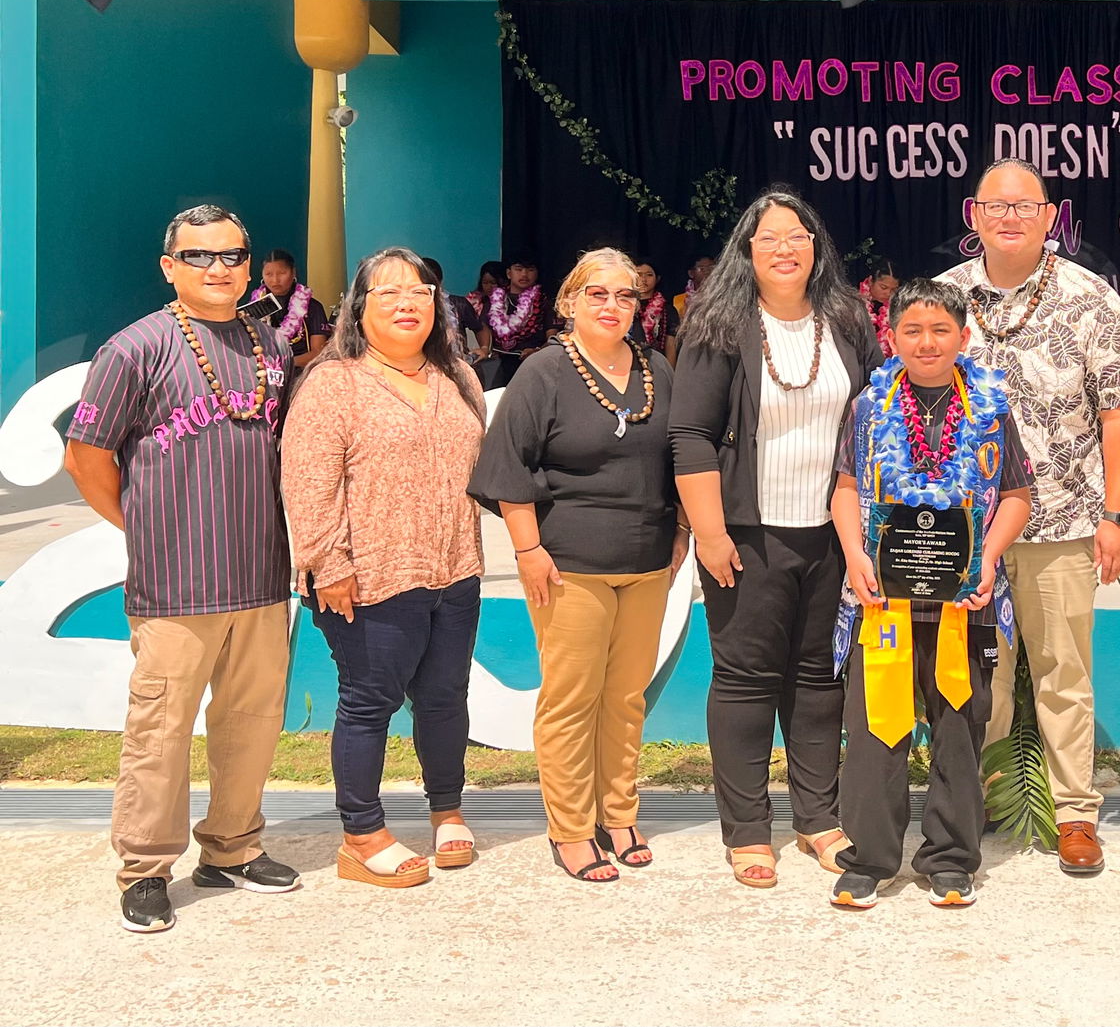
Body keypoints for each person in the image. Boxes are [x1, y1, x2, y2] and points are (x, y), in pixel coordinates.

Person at [63, 204, 302, 933]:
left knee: (252, 721)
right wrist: (142, 525)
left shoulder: (270, 343)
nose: (219, 267)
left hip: (261, 572)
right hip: (177, 580)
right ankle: (145, 867)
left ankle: (231, 846)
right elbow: (87, 455)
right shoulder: (134, 349)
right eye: (199, 255)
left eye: (232, 254)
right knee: (161, 730)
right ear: (169, 266)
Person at [936, 158, 1120, 877]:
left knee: (1063, 669)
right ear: (974, 215)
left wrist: (1116, 515)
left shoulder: (1091, 298)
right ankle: (983, 800)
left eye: (1024, 206)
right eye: (996, 205)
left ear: (1050, 216)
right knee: (978, 674)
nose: (1009, 217)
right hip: (964, 529)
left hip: (1063, 519)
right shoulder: (944, 297)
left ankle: (1075, 815)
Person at [671, 187, 880, 889]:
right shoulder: (719, 325)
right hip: (746, 536)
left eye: (798, 236)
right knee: (746, 680)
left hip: (830, 533)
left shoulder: (847, 320)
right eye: (769, 238)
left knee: (819, 680)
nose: (785, 248)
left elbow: (873, 421)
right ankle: (749, 829)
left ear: (816, 247)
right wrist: (708, 531)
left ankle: (819, 818)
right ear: (748, 251)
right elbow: (691, 435)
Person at [470, 249, 688, 883]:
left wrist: (679, 530)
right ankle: (570, 828)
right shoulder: (543, 373)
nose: (612, 306)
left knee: (625, 698)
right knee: (571, 699)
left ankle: (618, 814)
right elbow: (509, 468)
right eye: (598, 294)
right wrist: (529, 551)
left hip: (648, 562)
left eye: (625, 295)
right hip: (567, 566)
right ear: (568, 301)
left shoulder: (657, 370)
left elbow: (679, 457)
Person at [281, 247, 488, 889]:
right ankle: (362, 832)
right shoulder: (333, 382)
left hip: (454, 570)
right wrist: (328, 562)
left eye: (421, 293)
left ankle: (446, 809)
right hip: (367, 576)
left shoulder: (457, 377)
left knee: (444, 697)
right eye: (389, 293)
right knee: (369, 702)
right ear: (358, 308)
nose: (407, 304)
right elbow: (308, 481)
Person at [827, 279, 1032, 910]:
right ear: (891, 336)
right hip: (882, 599)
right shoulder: (867, 409)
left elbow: (1018, 497)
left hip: (963, 602)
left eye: (940, 330)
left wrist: (987, 559)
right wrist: (857, 555)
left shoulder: (991, 408)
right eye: (912, 330)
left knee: (958, 731)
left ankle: (950, 859)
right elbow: (844, 489)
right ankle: (869, 859)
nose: (926, 342)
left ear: (964, 337)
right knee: (872, 731)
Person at [246, 249, 331, 370]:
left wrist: (283, 364)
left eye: (282, 273)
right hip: (264, 376)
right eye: (269, 274)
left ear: (293, 273)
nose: (275, 280)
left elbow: (319, 353)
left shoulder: (313, 307)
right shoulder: (255, 307)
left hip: (301, 375)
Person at [486, 250, 554, 389]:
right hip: (498, 366)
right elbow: (483, 332)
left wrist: (537, 351)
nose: (524, 274)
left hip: (532, 364)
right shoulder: (494, 300)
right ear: (509, 273)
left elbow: (553, 338)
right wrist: (485, 349)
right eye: (519, 269)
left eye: (530, 270)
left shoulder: (545, 302)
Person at [422, 256, 493, 369]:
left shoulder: (458, 304)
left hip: (458, 366)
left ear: (439, 281)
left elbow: (480, 328)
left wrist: (484, 348)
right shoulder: (410, 307)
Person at [630, 257, 680, 363]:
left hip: (657, 363)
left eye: (649, 275)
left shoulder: (667, 309)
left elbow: (670, 344)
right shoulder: (624, 305)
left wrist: (670, 373)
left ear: (657, 279)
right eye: (639, 274)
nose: (643, 279)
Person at [859, 264, 899, 359]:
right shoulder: (856, 305)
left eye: (894, 289)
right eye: (883, 287)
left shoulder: (897, 307)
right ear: (870, 281)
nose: (888, 293)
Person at [674, 253, 714, 319]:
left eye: (711, 268)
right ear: (691, 273)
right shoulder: (678, 301)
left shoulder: (722, 297)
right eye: (702, 269)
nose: (708, 272)